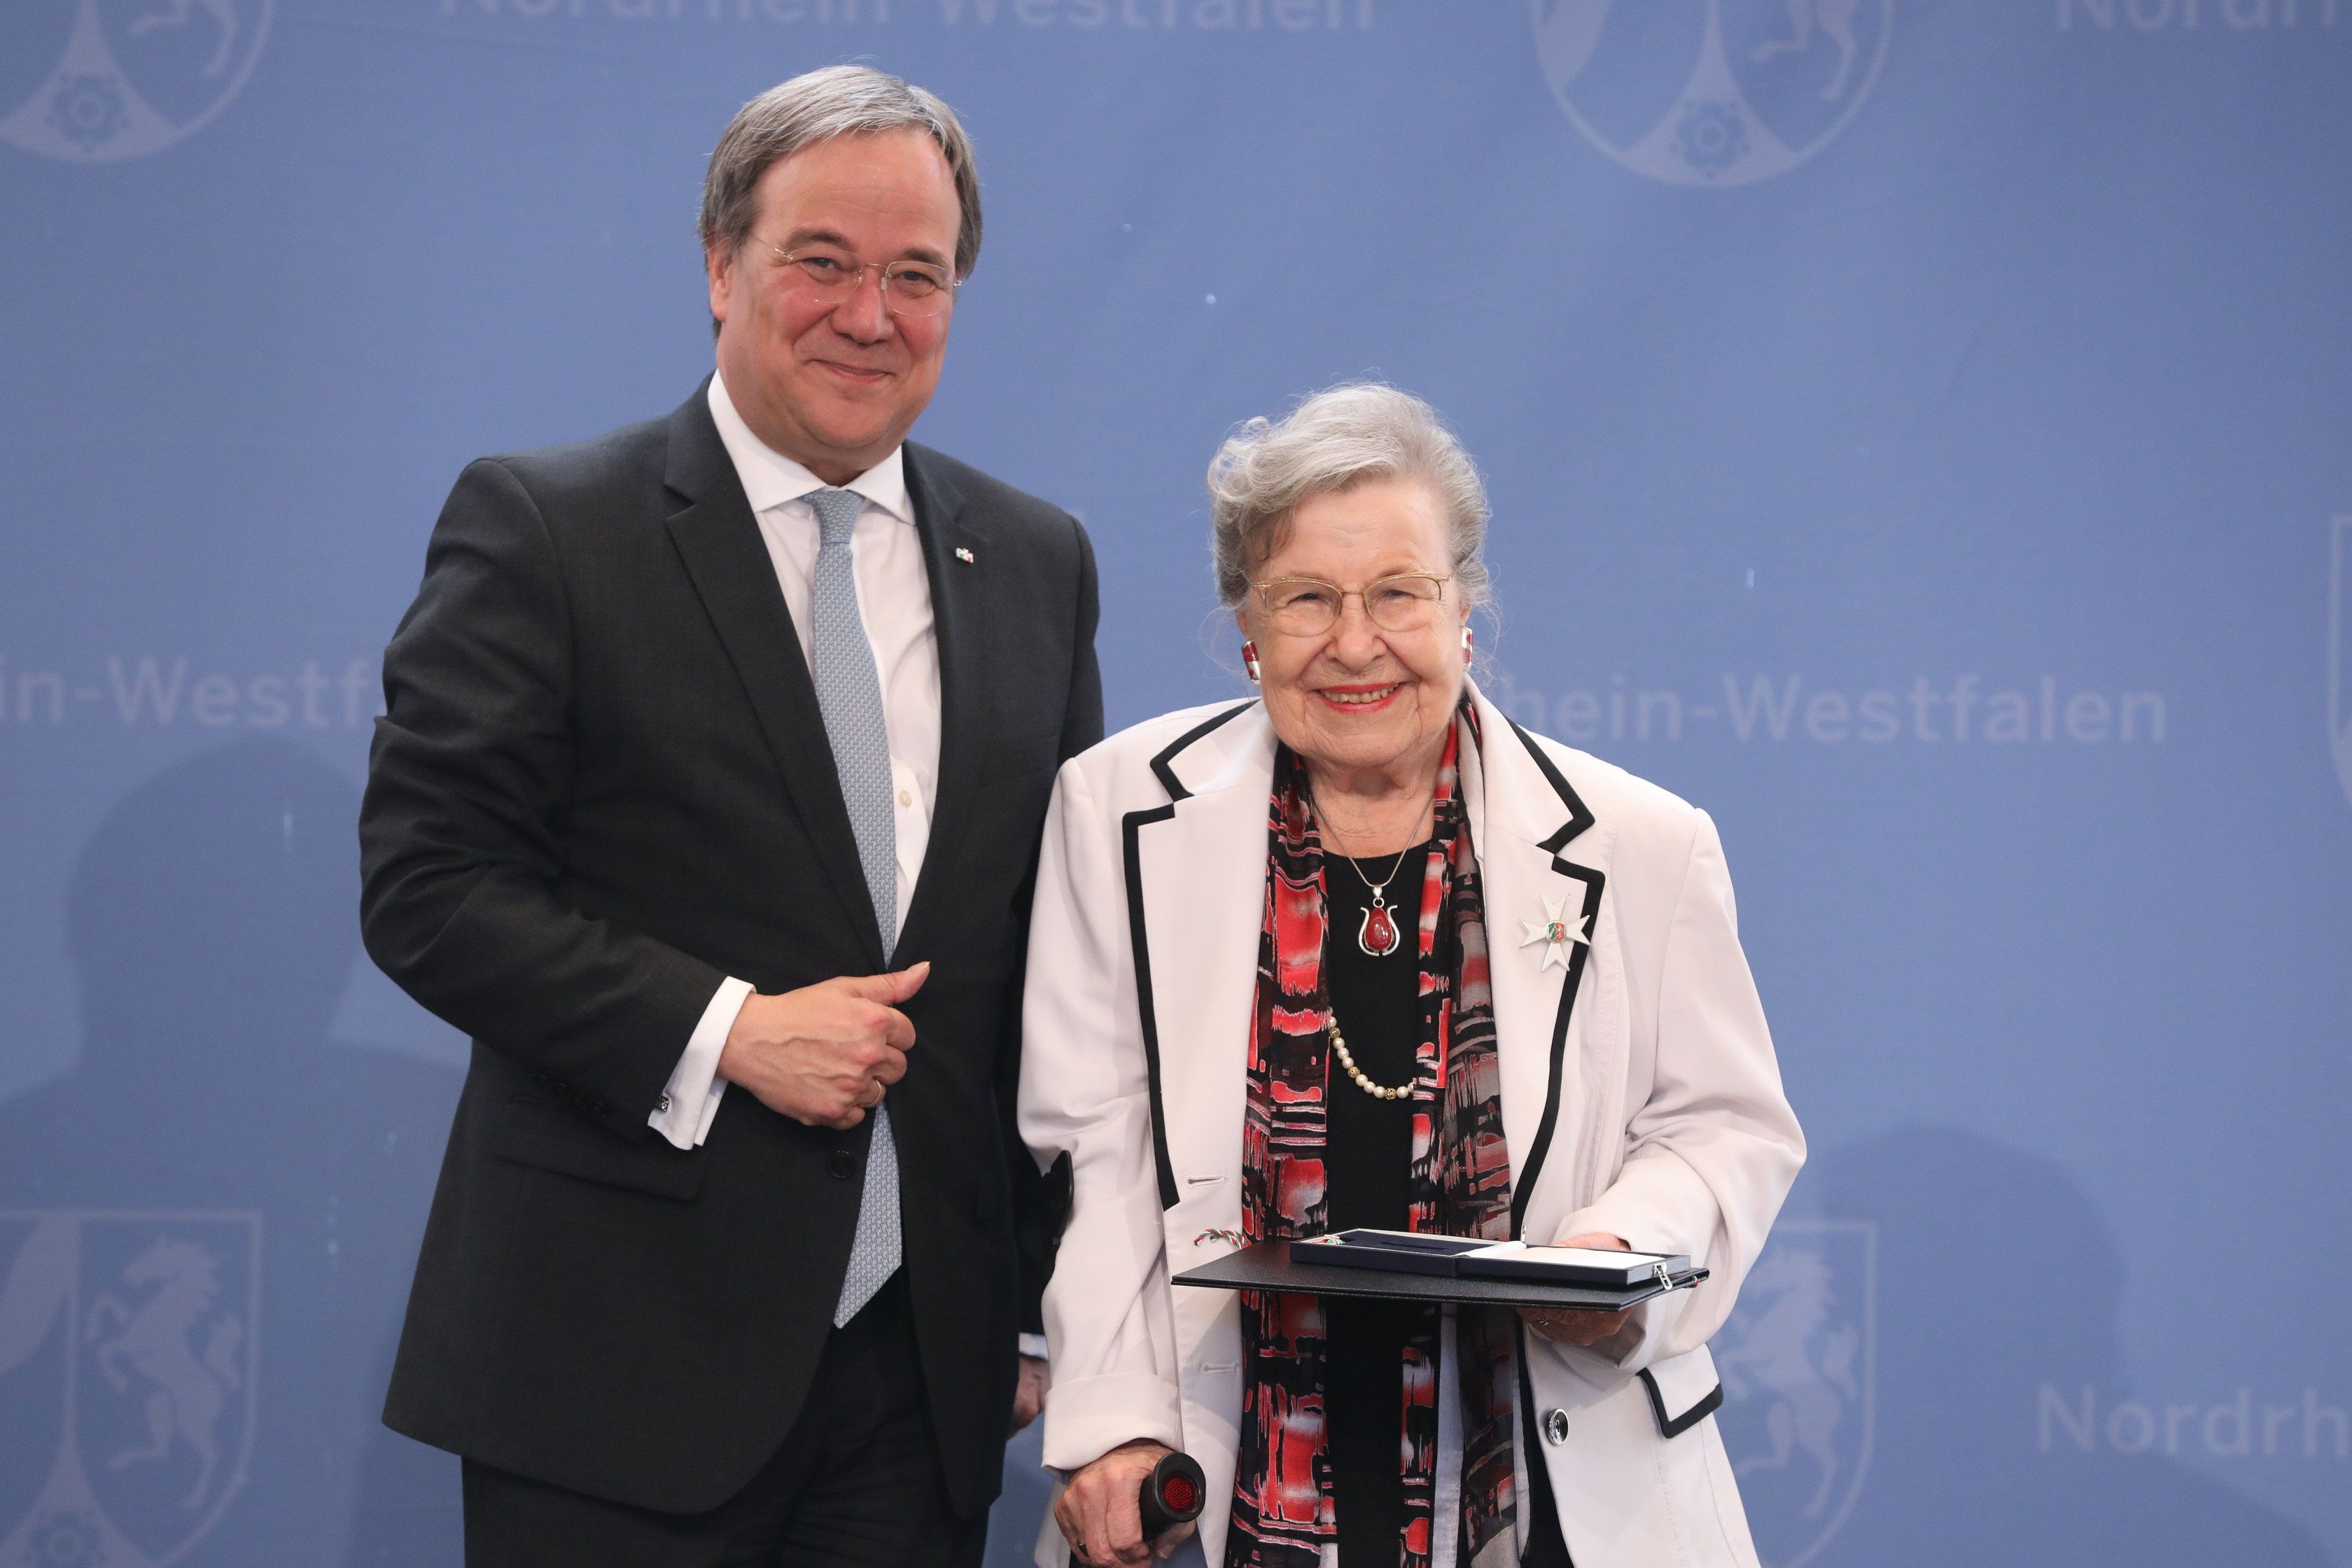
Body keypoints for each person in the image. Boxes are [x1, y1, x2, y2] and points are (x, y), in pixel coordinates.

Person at [359, 66, 1100, 1567]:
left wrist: (1036, 1303)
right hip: (612, 1367)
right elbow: (432, 887)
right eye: (822, 261)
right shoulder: (550, 527)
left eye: (917, 276)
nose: (870, 316)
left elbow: (1054, 963)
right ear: (720, 265)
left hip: (922, 1390)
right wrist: (728, 1031)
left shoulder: (1035, 560)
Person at [1018, 385, 1802, 1568]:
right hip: (1231, 1467)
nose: (1354, 643)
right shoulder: (1117, 808)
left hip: (1559, 1475)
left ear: (1464, 607)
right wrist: (1114, 1418)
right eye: (1306, 598)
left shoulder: (1641, 842)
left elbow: (1725, 1128)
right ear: (1247, 623)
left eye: (1398, 592)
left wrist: (1614, 1255)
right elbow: (1096, 1141)